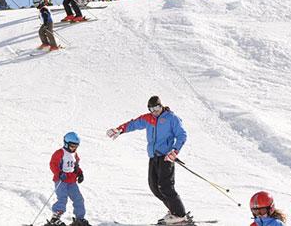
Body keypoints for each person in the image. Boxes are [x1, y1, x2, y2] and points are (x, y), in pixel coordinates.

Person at [107, 96, 190, 224]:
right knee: (154, 187)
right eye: (151, 109)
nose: (154, 111)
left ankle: (180, 214)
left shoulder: (171, 118)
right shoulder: (148, 118)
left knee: (165, 186)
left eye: (157, 108)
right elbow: (133, 123)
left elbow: (181, 135)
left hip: (166, 157)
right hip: (153, 157)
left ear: (161, 105)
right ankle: (173, 211)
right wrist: (120, 129)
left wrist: (174, 150)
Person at [45, 132, 90, 226]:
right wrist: (59, 173)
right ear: (66, 143)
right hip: (61, 180)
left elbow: (76, 166)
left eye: (76, 146)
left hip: (72, 181)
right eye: (72, 146)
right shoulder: (60, 153)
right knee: (62, 198)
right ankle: (55, 218)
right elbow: (53, 164)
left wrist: (80, 173)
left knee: (78, 199)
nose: (74, 148)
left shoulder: (75, 154)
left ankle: (80, 219)